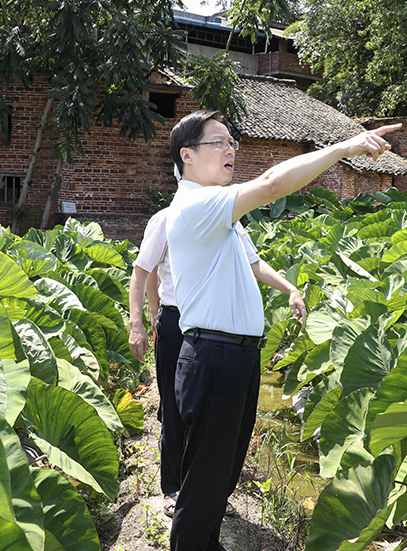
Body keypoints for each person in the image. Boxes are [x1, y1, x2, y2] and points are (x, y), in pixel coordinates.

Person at [165, 109, 401, 551]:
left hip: (234, 358)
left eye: (232, 141)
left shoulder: (220, 216)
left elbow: (251, 265)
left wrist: (290, 288)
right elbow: (274, 184)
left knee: (222, 474)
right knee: (204, 483)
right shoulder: (197, 205)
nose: (230, 149)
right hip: (214, 357)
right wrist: (346, 147)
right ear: (188, 156)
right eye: (219, 142)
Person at [127, 205, 306, 518]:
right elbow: (144, 270)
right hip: (177, 322)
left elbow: (254, 263)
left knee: (220, 415)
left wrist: (290, 288)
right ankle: (174, 488)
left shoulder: (230, 221)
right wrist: (140, 322)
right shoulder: (167, 219)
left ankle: (213, 493)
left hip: (217, 327)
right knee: (174, 406)